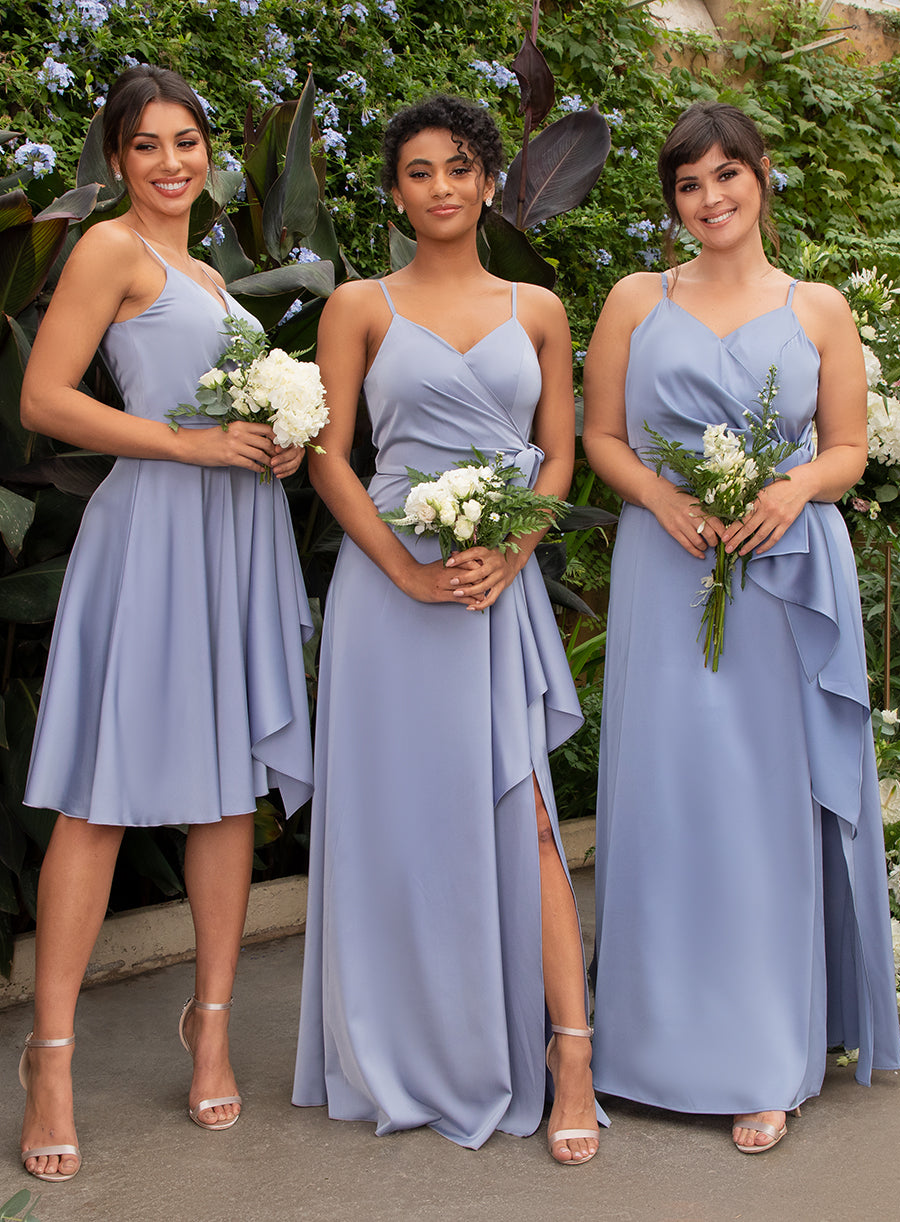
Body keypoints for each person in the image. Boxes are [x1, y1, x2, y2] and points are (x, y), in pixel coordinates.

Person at [583, 100, 900, 1153]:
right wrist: (661, 499)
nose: (709, 197)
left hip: (780, 575)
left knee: (762, 809)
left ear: (762, 175)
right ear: (671, 201)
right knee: (665, 794)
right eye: (688, 184)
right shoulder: (636, 299)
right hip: (665, 565)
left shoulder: (819, 309)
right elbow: (601, 435)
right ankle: (644, 1048)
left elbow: (846, 448)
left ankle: (764, 1057)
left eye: (726, 174)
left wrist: (791, 487)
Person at [292, 95, 605, 1162]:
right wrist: (404, 571)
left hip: (493, 589)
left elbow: (556, 457)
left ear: (487, 184)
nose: (441, 186)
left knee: (526, 817)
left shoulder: (539, 308)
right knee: (392, 821)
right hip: (389, 594)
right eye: (419, 170)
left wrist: (511, 556)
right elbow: (328, 456)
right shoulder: (358, 305)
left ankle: (569, 1054)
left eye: (460, 167)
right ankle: (407, 1044)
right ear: (394, 193)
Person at [17, 65, 314, 1182]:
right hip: (152, 537)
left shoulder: (209, 274)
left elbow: (221, 404)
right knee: (100, 796)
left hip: (232, 537)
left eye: (186, 141)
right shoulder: (110, 249)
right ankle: (50, 1059)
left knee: (226, 794)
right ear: (117, 159)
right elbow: (46, 397)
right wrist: (192, 444)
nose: (171, 162)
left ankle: (212, 1026)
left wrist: (273, 441)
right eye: (146, 145)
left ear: (208, 154)